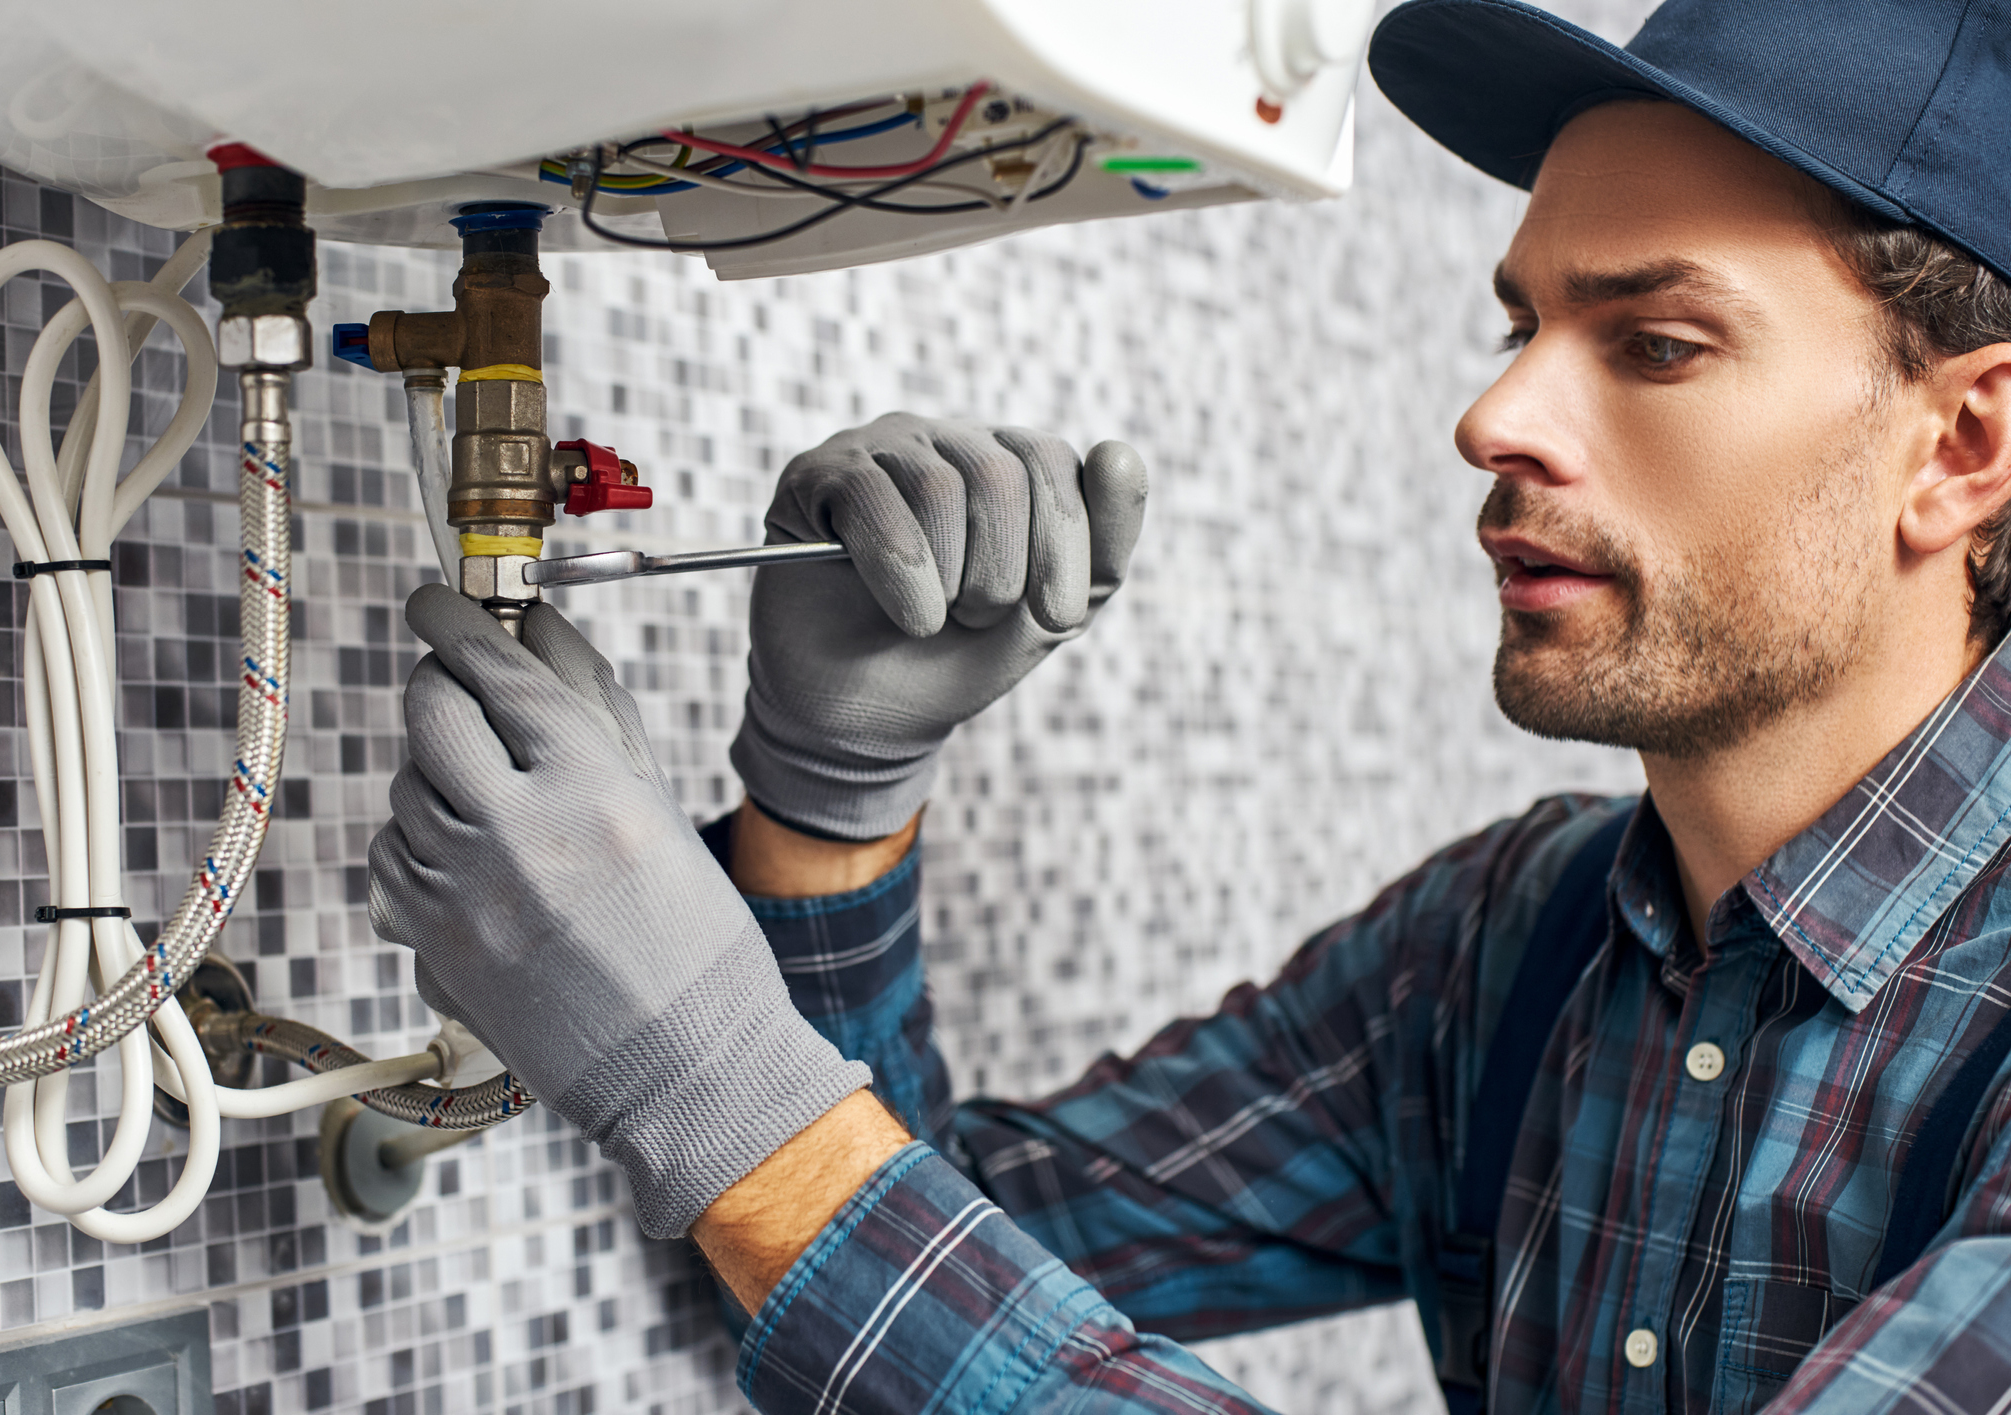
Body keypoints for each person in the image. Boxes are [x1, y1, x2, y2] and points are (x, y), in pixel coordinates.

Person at [364, 0, 2011, 1408]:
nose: (1494, 414)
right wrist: (827, 796)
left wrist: (715, 1088)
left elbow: (802, 1192)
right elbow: (873, 1261)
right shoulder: (1514, 946)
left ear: (1965, 448)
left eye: (1652, 343)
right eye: (1519, 325)